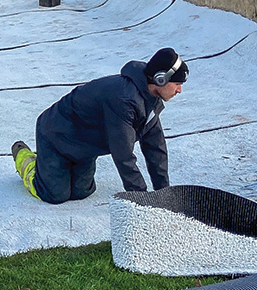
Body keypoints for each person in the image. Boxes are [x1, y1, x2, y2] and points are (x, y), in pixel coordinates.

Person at [12, 48, 188, 204]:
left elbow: (155, 148)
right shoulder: (123, 100)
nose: (179, 90)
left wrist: (164, 195)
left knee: (82, 192)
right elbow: (123, 154)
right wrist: (141, 200)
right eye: (177, 84)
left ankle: (54, 168)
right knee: (54, 195)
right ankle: (26, 158)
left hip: (83, 146)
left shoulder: (151, 100)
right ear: (160, 79)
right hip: (56, 135)